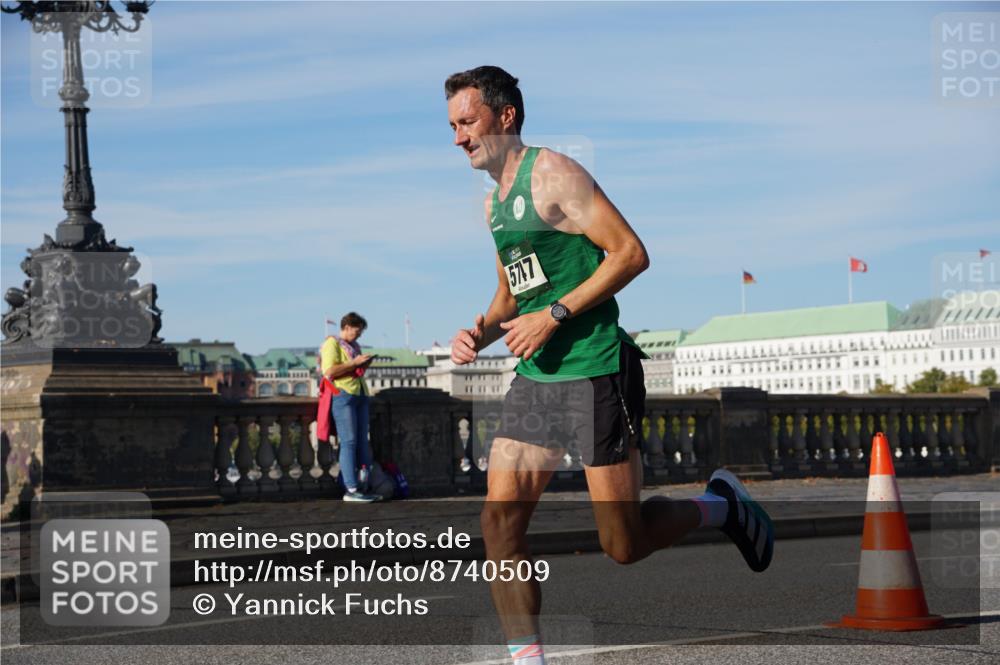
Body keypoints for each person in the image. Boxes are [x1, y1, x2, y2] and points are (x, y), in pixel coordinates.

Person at [445, 66, 774, 665]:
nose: (458, 138)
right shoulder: (496, 203)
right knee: (499, 525)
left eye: (467, 122)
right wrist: (478, 332)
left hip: (596, 369)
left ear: (505, 116)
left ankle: (722, 505)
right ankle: (528, 659)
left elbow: (631, 253)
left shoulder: (556, 175)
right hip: (539, 379)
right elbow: (513, 295)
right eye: (452, 126)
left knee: (622, 544)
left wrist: (557, 314)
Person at [321, 312, 381, 503]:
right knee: (349, 442)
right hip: (343, 395)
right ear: (346, 327)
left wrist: (364, 364)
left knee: (362, 440)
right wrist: (355, 362)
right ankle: (351, 488)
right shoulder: (332, 343)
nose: (359, 335)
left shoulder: (354, 346)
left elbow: (353, 370)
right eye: (357, 331)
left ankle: (363, 486)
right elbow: (329, 371)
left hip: (360, 394)